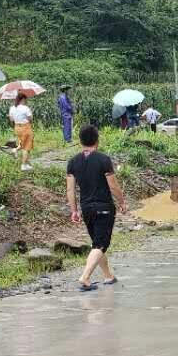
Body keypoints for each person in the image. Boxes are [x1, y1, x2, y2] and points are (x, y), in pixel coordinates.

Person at [66, 125, 126, 292]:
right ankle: (85, 277)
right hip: (104, 207)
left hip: (87, 209)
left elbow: (70, 190)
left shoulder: (73, 162)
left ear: (80, 141)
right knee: (101, 244)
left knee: (97, 244)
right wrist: (122, 202)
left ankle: (108, 276)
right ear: (97, 140)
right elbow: (113, 186)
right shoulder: (103, 159)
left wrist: (74, 210)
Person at [9, 91, 35, 171]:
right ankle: (23, 165)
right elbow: (31, 118)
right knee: (26, 147)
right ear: (22, 99)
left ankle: (26, 162)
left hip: (17, 127)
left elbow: (11, 119)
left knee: (23, 143)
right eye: (25, 99)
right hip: (25, 127)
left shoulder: (12, 108)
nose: (26, 101)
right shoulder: (25, 108)